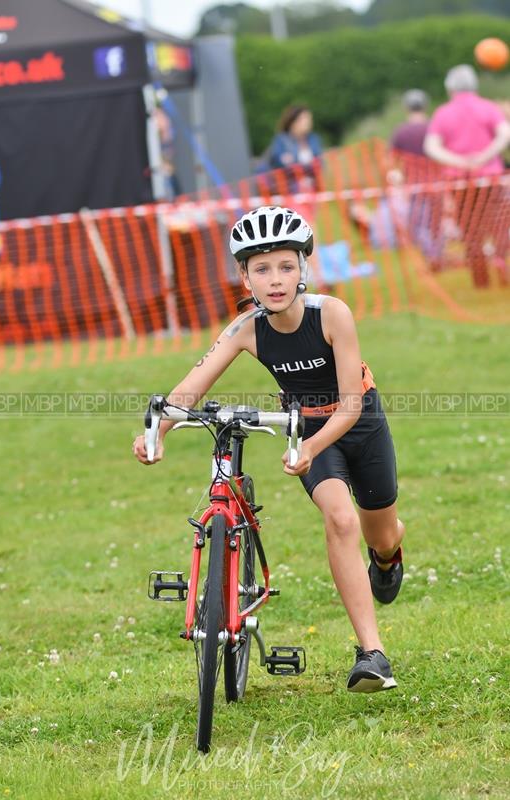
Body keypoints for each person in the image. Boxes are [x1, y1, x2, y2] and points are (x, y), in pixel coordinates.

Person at [133, 206, 405, 693]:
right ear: (244, 276)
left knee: (380, 531)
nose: (275, 280)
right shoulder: (246, 330)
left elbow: (348, 405)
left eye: (286, 266)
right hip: (306, 432)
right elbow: (189, 388)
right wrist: (158, 431)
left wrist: (309, 445)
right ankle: (372, 655)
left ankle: (386, 558)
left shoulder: (332, 314)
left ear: (303, 268)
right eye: (262, 269)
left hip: (356, 423)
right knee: (340, 517)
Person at [424, 65, 510, 286]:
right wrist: (485, 157)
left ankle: (480, 279)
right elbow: (504, 134)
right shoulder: (488, 107)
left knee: (470, 229)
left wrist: (459, 162)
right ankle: (502, 262)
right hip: (491, 177)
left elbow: (431, 147)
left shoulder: (443, 113)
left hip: (459, 181)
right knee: (498, 224)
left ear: (450, 88)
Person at [390, 89, 430, 158]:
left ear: (406, 107)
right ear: (426, 106)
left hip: (409, 168)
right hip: (434, 168)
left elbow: (391, 156)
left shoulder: (400, 131)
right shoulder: (434, 127)